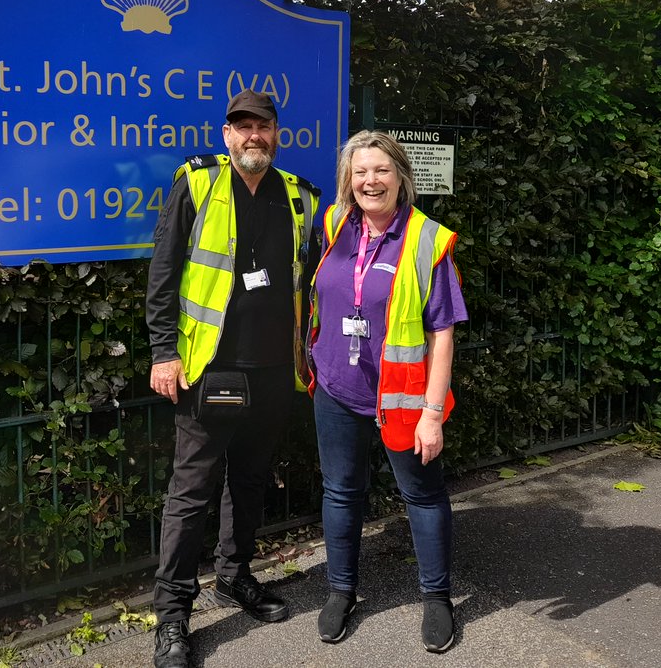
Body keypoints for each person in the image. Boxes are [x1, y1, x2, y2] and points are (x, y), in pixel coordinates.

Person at [146, 89, 320, 668]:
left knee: (249, 481)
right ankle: (172, 617)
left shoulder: (298, 196)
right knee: (191, 493)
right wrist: (163, 352)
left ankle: (234, 575)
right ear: (226, 135)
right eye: (241, 126)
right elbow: (164, 271)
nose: (253, 136)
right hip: (207, 369)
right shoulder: (198, 183)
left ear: (276, 134)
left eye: (262, 126)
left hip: (273, 371)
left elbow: (316, 280)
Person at [304, 129, 467, 653]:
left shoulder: (426, 240)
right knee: (340, 492)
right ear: (347, 181)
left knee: (421, 495)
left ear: (401, 176)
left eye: (381, 170)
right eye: (360, 172)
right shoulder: (332, 225)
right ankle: (341, 590)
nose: (370, 181)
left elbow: (442, 333)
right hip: (334, 387)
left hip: (403, 398)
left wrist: (433, 413)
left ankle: (437, 596)